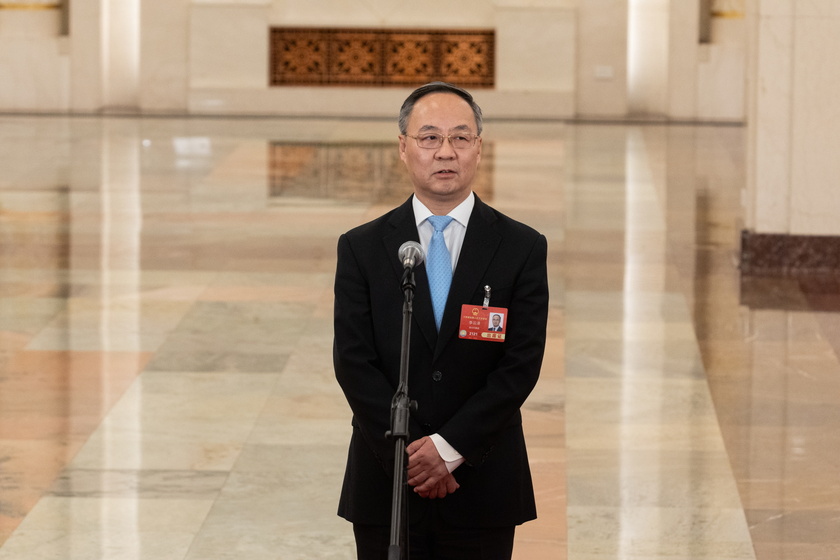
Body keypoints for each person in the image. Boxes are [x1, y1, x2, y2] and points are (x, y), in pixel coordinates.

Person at [333, 81, 549, 560]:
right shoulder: (362, 247)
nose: (445, 151)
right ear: (404, 149)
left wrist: (450, 449)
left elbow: (520, 365)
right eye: (429, 137)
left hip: (482, 481)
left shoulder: (521, 248)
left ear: (479, 149)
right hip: (386, 482)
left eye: (460, 137)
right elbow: (353, 361)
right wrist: (409, 458)